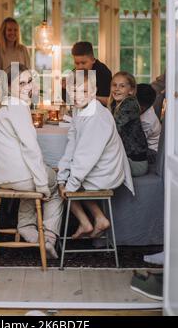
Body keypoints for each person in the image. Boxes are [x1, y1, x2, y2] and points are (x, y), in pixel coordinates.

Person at [0, 64, 63, 259]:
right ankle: (48, 238)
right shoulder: (17, 107)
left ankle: (27, 227)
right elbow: (31, 150)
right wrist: (42, 186)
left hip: (0, 177)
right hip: (18, 177)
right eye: (21, 83)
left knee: (35, 178)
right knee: (57, 184)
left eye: (29, 81)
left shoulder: (0, 106)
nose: (28, 87)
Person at [57, 70, 134, 240]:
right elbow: (72, 145)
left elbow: (85, 157)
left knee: (65, 186)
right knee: (62, 179)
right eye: (74, 91)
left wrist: (67, 187)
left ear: (93, 91)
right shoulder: (80, 109)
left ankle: (87, 221)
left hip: (106, 171)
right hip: (96, 165)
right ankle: (96, 220)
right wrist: (62, 177)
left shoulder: (96, 116)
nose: (78, 96)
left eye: (84, 91)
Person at [108, 72, 149, 177]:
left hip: (135, 162)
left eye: (122, 86)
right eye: (114, 85)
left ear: (131, 90)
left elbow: (113, 129)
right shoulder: (114, 105)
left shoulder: (130, 104)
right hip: (125, 158)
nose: (117, 89)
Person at [62, 41, 112, 106]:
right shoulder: (75, 72)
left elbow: (110, 101)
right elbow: (68, 100)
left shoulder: (103, 73)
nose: (80, 67)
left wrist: (88, 97)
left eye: (83, 63)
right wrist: (64, 88)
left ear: (93, 60)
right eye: (77, 63)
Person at [137, 84, 161, 162]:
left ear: (142, 108)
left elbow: (138, 143)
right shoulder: (147, 107)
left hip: (151, 151)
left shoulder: (147, 122)